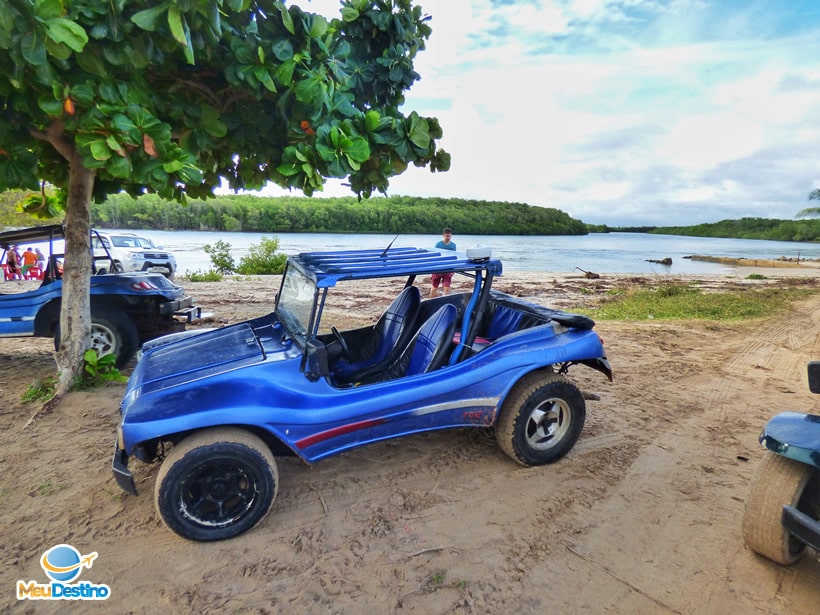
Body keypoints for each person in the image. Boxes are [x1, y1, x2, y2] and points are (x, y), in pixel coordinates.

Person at [429, 227, 456, 298]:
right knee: (434, 287)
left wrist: (453, 269)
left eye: (450, 236)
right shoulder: (438, 244)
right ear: (443, 236)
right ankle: (431, 299)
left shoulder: (453, 245)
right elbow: (434, 256)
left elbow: (454, 257)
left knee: (447, 287)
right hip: (438, 268)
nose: (448, 238)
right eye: (447, 236)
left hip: (448, 268)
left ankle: (444, 299)